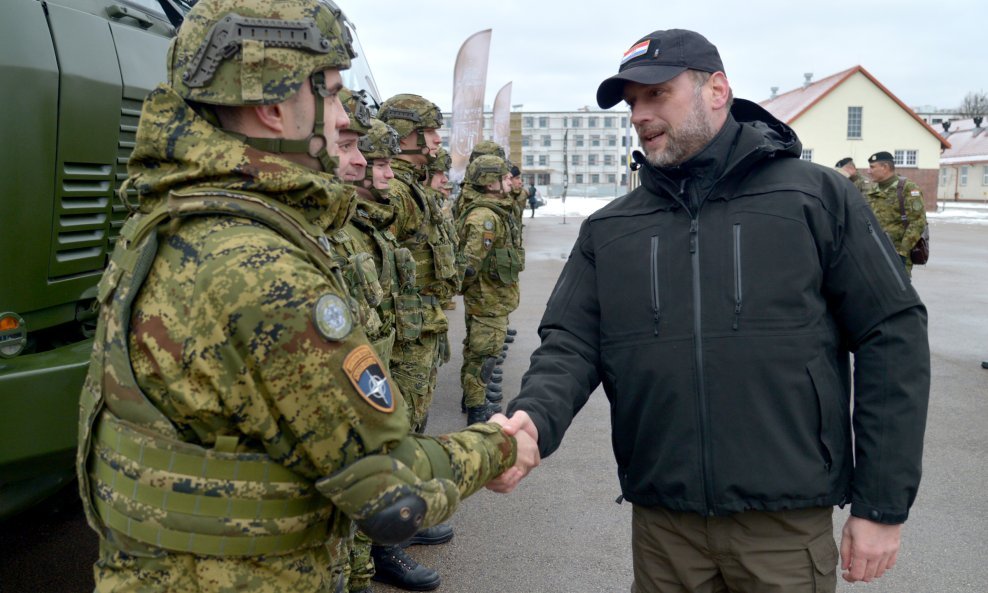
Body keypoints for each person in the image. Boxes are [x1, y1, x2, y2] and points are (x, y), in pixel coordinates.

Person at [74, 2, 537, 591]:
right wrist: (498, 447)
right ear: (272, 108)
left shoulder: (170, 221)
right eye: (336, 94)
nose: (347, 121)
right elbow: (392, 487)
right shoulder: (259, 268)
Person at [494, 28, 930, 593]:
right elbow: (571, 344)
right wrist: (532, 420)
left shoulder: (813, 197)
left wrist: (881, 505)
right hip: (664, 529)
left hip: (782, 527)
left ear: (716, 89)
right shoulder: (611, 228)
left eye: (657, 94)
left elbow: (890, 333)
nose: (640, 115)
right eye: (632, 102)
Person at [378, 94, 462, 434]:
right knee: (402, 426)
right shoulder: (395, 192)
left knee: (414, 421)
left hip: (420, 325)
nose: (437, 139)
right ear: (406, 133)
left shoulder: (409, 187)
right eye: (429, 132)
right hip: (405, 334)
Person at [456, 155, 523, 425]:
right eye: (504, 176)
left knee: (481, 354)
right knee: (482, 359)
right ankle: (476, 412)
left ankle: (474, 402)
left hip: (493, 301)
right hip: (487, 303)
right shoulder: (484, 218)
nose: (510, 180)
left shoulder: (494, 212)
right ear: (489, 182)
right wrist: (476, 296)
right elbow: (469, 267)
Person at [866, 151, 929, 275]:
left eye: (872, 167)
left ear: (885, 167)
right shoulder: (873, 190)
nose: (869, 171)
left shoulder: (907, 188)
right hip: (875, 254)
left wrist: (902, 253)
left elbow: (918, 222)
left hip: (897, 255)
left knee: (898, 292)